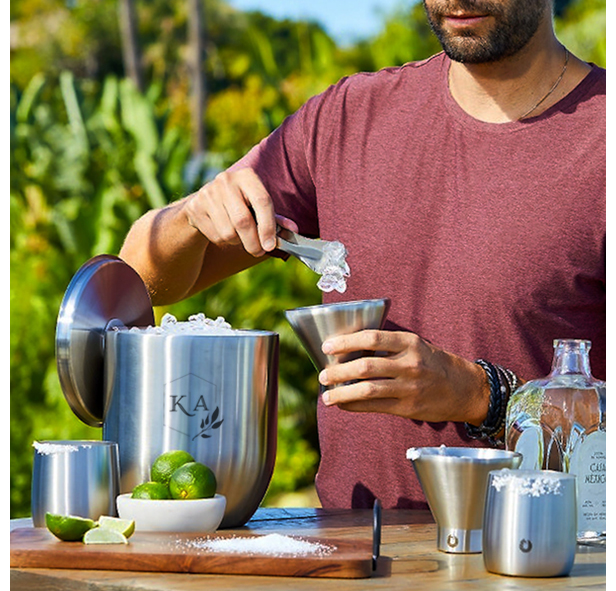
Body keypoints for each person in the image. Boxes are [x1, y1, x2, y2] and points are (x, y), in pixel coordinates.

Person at [119, 0, 605, 510]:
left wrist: (480, 397)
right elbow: (145, 282)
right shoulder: (347, 118)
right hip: (352, 562)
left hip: (543, 562)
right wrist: (190, 218)